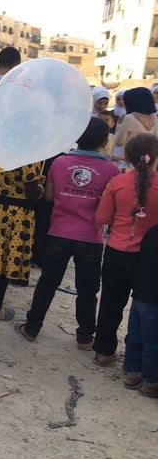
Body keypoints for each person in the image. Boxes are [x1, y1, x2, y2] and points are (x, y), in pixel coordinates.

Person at [16, 118, 121, 347]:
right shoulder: (111, 170)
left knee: (47, 283)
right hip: (91, 238)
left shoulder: (61, 163)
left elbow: (49, 198)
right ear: (104, 142)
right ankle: (84, 336)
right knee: (87, 288)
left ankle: (32, 328)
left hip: (59, 233)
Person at [93, 134, 158, 367]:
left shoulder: (118, 183)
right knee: (143, 309)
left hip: (116, 252)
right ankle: (136, 359)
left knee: (111, 302)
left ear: (128, 157)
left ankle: (104, 351)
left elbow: (101, 218)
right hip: (149, 258)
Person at [0, 161, 44, 320]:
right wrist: (40, 188)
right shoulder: (30, 155)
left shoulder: (3, 148)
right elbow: (32, 192)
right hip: (17, 215)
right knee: (6, 257)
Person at [122, 222, 158, 398]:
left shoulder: (151, 232)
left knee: (135, 337)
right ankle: (149, 383)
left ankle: (132, 375)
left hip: (139, 295)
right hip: (154, 301)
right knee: (152, 342)